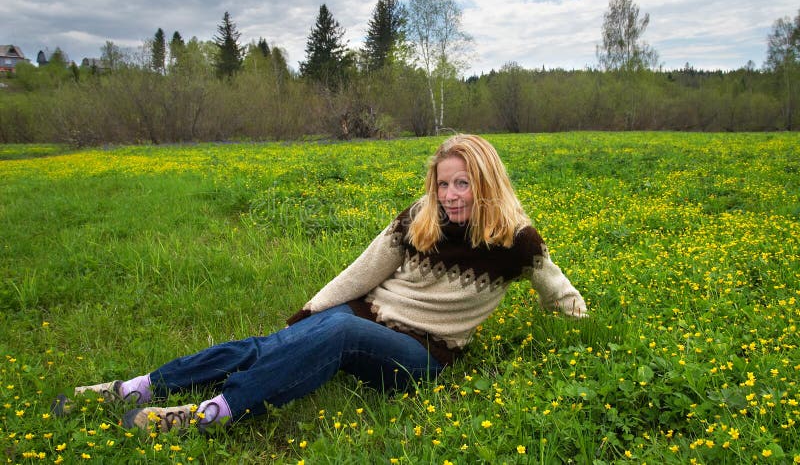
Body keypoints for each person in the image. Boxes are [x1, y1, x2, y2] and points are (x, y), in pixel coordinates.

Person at [53, 134, 587, 433]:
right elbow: (364, 271)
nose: (450, 194)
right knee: (275, 342)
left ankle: (209, 414)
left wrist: (578, 318)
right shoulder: (419, 218)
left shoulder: (516, 240)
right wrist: (311, 309)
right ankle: (136, 387)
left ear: (485, 181)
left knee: (337, 335)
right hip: (365, 317)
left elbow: (556, 288)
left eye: (462, 183)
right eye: (443, 183)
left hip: (424, 355)